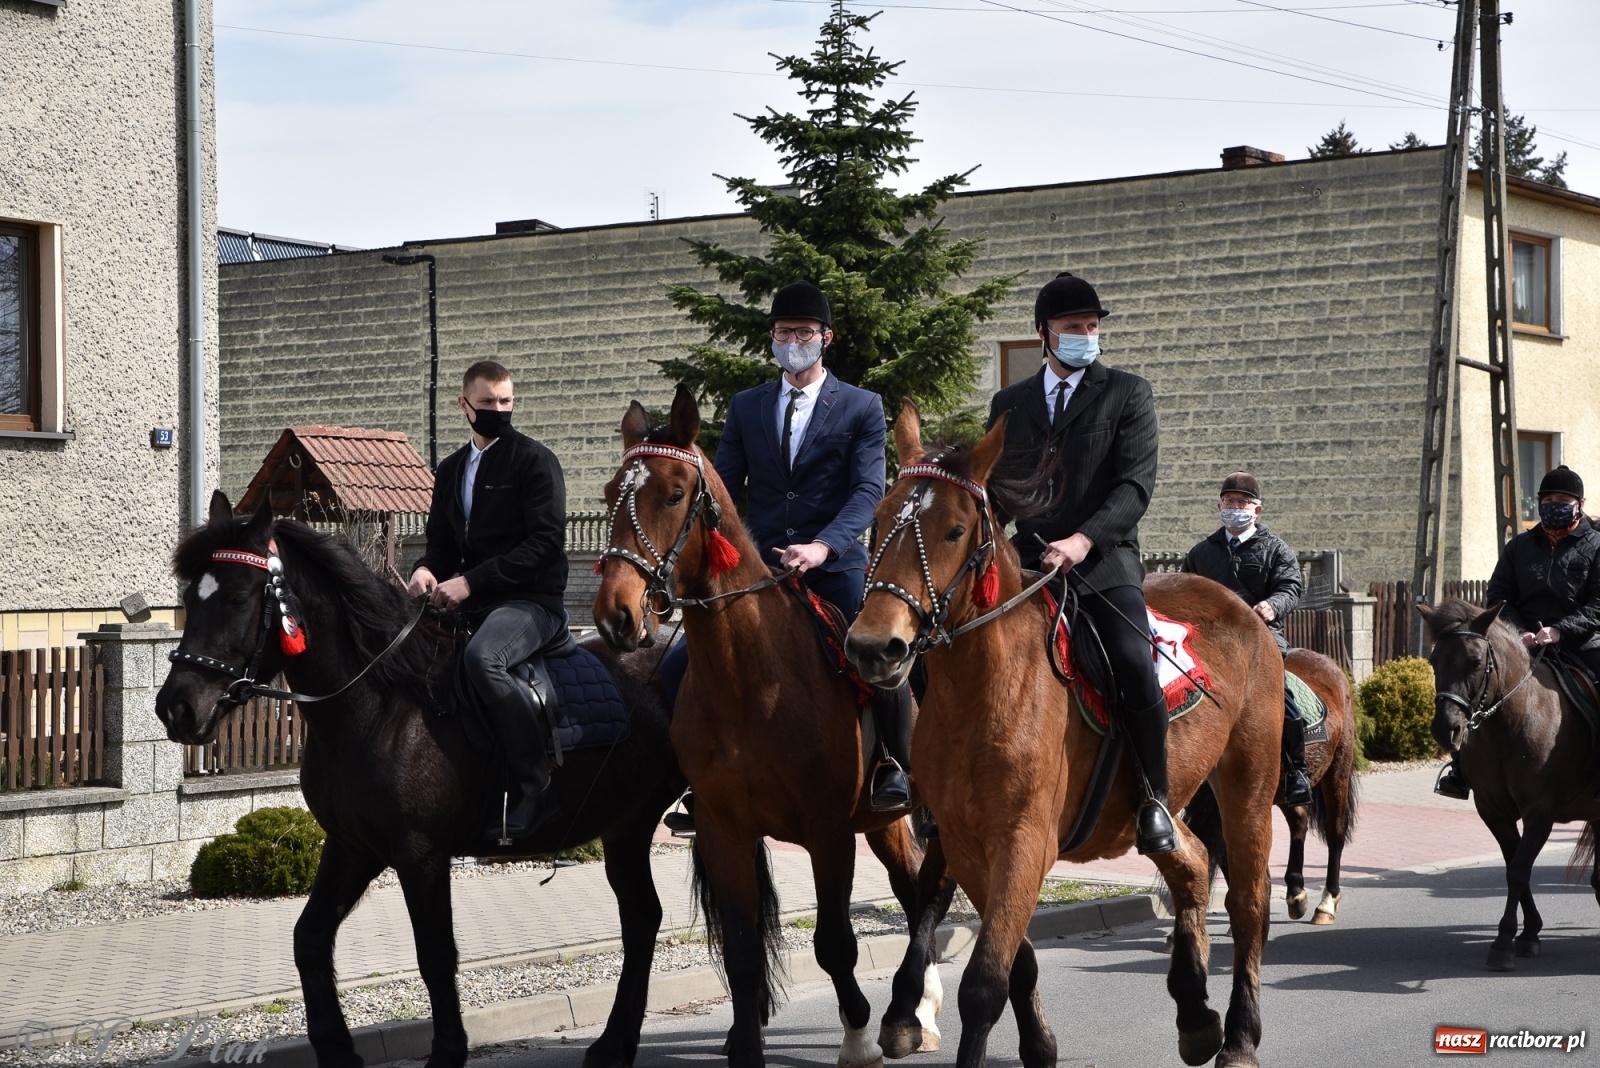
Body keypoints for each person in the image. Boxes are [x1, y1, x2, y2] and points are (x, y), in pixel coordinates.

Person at [662, 281, 902, 832]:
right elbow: (721, 491)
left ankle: (895, 766)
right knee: (678, 667)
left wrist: (823, 546)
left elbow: (868, 491)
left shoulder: (863, 407)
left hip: (834, 568)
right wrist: (738, 559)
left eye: (803, 332)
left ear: (826, 338)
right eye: (783, 332)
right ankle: (702, 783)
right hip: (762, 575)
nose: (792, 341)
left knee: (879, 661)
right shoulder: (748, 406)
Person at [987, 271, 1175, 855]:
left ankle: (1154, 797)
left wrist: (1082, 540)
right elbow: (997, 490)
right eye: (1074, 327)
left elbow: (1134, 487)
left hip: (1104, 562)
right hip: (1028, 560)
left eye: (1092, 327)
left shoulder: (1127, 392)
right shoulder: (1009, 404)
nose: (1086, 336)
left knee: (1132, 662)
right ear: (1044, 333)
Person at [409, 360, 570, 841]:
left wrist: (470, 582)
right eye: (487, 403)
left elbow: (544, 544)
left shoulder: (536, 461)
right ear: (464, 405)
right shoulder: (450, 469)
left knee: (484, 659)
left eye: (506, 402)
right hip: (469, 602)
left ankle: (536, 789)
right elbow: (439, 543)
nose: (498, 410)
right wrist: (425, 571)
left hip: (531, 604)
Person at [1436, 465, 1600, 800]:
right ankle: (1461, 769)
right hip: (1523, 643)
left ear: (1579, 504)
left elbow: (1598, 603)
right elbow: (1499, 595)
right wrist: (1519, 630)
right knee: (1468, 682)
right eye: (1548, 499)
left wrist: (1559, 630)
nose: (1554, 504)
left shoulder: (1596, 545)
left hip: (1582, 643)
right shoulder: (1519, 546)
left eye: (1563, 500)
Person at [1182, 472, 1312, 806]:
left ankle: (1297, 772)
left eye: (1243, 503)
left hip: (1260, 641)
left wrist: (1273, 605)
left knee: (1285, 704)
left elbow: (1291, 587)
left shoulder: (1276, 549)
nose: (1235, 507)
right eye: (1229, 502)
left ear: (1257, 510)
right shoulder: (1201, 552)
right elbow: (1185, 590)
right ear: (1219, 506)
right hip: (1209, 644)